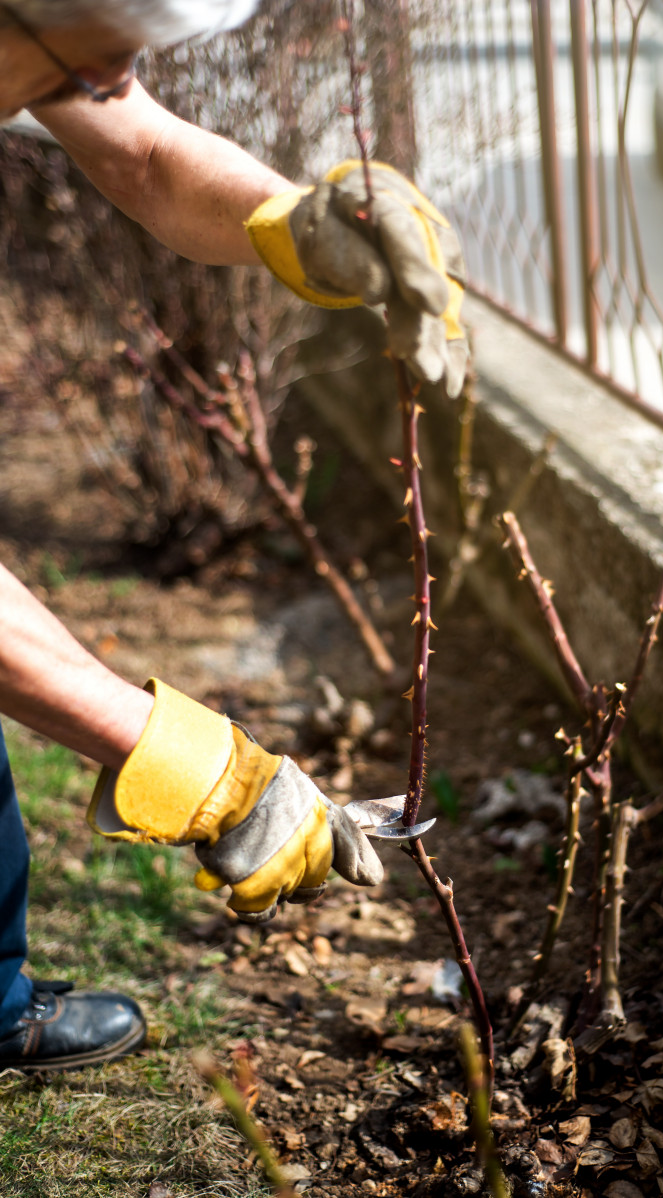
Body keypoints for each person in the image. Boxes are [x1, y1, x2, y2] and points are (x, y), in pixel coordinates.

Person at [0, 0, 468, 1072]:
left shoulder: (41, 45)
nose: (122, 75)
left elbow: (152, 157)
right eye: (96, 45)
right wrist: (201, 774)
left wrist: (298, 225)